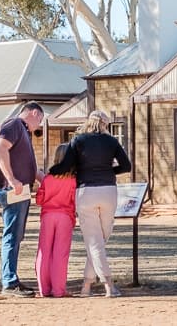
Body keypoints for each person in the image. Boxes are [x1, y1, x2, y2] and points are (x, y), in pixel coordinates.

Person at [49, 110, 131, 298]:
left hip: (86, 191)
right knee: (99, 241)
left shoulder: (78, 141)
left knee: (95, 242)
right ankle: (87, 285)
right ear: (104, 124)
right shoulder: (111, 141)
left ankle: (107, 284)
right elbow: (126, 166)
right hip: (109, 190)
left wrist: (51, 172)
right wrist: (108, 171)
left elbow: (65, 166)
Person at [0, 102, 45, 297]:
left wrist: (49, 181)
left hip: (22, 191)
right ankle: (9, 282)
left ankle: (12, 278)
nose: (39, 125)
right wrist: (12, 179)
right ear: (35, 113)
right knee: (12, 235)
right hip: (12, 190)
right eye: (40, 121)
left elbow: (33, 169)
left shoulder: (24, 132)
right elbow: (0, 148)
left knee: (16, 236)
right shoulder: (14, 125)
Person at [34, 143, 77, 298]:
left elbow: (39, 199)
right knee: (61, 253)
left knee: (44, 251)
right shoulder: (73, 181)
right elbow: (74, 201)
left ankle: (43, 289)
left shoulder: (47, 179)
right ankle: (59, 290)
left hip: (48, 216)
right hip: (65, 217)